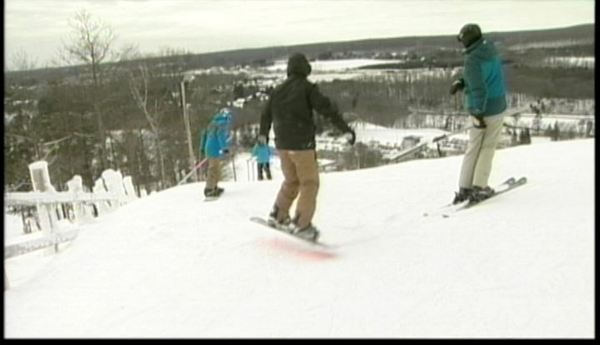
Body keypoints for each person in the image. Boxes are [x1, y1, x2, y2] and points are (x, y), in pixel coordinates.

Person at [259, 52, 356, 241]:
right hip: (301, 144)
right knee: (309, 183)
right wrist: (345, 129)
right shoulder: (307, 88)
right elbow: (327, 109)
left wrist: (263, 133)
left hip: (282, 145)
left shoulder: (278, 91)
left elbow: (265, 114)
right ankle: (302, 224)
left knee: (291, 181)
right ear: (305, 69)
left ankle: (278, 215)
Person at [449, 23, 508, 204]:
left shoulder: (473, 59)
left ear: (467, 40)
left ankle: (472, 188)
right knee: (486, 146)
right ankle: (475, 186)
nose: (462, 44)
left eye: (463, 40)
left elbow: (479, 89)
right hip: (497, 106)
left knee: (477, 147)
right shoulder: (489, 49)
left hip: (483, 109)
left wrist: (477, 113)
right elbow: (482, 77)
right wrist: (462, 81)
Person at [199, 108, 232, 198]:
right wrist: (224, 147)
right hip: (214, 148)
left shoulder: (212, 123)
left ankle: (214, 186)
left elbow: (204, 134)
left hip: (209, 148)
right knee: (213, 169)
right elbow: (220, 136)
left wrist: (202, 147)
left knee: (216, 168)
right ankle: (209, 189)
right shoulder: (222, 124)